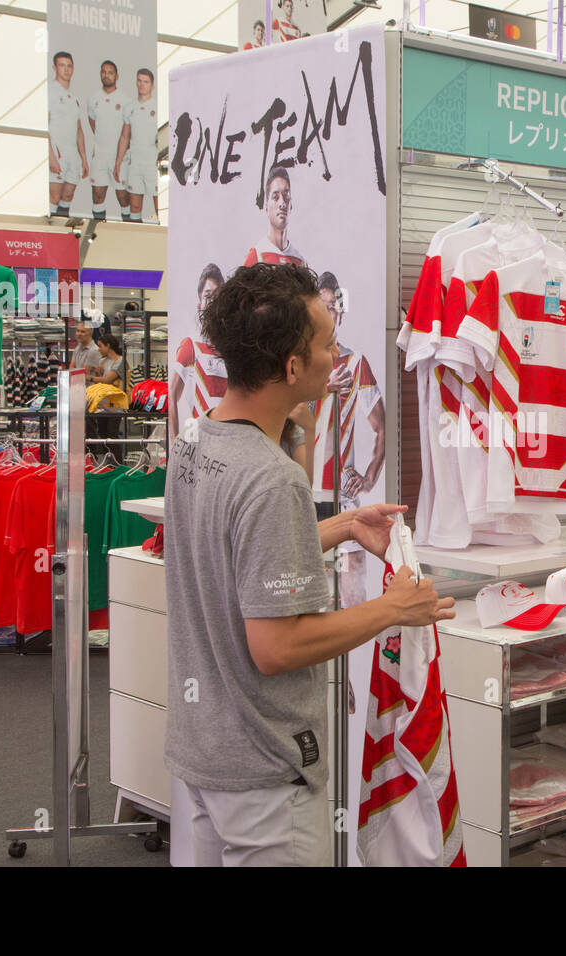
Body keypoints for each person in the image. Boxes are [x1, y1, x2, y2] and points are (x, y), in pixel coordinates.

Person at [163, 262, 455, 866]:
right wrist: (392, 607)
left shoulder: (195, 440)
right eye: (326, 344)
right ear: (292, 367)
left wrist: (343, 526)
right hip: (265, 770)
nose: (335, 355)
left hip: (204, 752)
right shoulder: (272, 481)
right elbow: (277, 647)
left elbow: (232, 557)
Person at [310, 271, 385, 609]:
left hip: (341, 492)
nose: (331, 314)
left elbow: (381, 425)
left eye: (335, 308)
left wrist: (369, 477)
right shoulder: (297, 362)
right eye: (323, 307)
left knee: (352, 581)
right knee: (306, 586)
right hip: (302, 489)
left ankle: (353, 659)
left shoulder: (355, 363)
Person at [169, 264, 228, 439]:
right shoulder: (191, 346)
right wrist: (174, 445)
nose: (212, 303)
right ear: (199, 304)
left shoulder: (231, 350)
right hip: (199, 440)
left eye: (217, 297)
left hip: (228, 441)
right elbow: (172, 394)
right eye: (208, 296)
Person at [87, 60, 131, 222]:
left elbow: (128, 131)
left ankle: (129, 230)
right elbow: (93, 123)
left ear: (116, 76)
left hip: (119, 157)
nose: (106, 75)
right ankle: (98, 230)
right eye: (103, 71)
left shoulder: (125, 100)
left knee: (123, 197)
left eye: (110, 72)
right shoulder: (93, 98)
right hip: (99, 156)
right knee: (97, 196)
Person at [113, 69, 159, 223]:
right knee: (135, 206)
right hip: (135, 162)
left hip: (153, 162)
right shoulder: (129, 107)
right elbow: (125, 136)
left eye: (145, 81)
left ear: (152, 85)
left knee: (159, 204)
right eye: (139, 80)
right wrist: (118, 162)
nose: (142, 84)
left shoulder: (158, 107)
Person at [48, 51, 89, 218]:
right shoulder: (50, 91)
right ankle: (49, 236)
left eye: (69, 65)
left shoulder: (74, 97)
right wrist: (51, 157)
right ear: (55, 68)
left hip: (73, 155)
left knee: (67, 197)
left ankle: (61, 233)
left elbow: (79, 129)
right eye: (62, 65)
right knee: (54, 197)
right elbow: (44, 126)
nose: (66, 69)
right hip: (58, 152)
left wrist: (84, 159)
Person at [243, 167, 307, 267]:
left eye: (286, 196)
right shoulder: (257, 256)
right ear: (266, 207)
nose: (282, 203)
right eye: (275, 197)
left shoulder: (300, 261)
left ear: (291, 205)